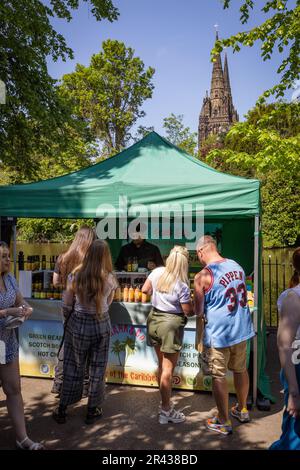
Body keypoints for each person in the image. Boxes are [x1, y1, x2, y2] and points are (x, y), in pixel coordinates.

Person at [194, 235, 255, 436]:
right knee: (240, 369)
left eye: (198, 255)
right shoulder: (236, 265)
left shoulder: (203, 276)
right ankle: (242, 409)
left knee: (218, 375)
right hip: (241, 329)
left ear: (201, 251)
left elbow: (199, 311)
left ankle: (223, 420)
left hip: (218, 335)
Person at [52, 240, 117, 425]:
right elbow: (109, 302)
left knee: (73, 366)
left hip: (78, 322)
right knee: (97, 368)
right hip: (101, 323)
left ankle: (63, 408)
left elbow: (67, 303)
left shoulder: (76, 275)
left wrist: (69, 319)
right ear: (106, 256)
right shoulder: (110, 278)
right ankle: (92, 409)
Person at [0, 241, 44, 450]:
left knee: (14, 389)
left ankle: (22, 438)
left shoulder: (9, 278)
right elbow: (9, 309)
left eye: (8, 255)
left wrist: (26, 309)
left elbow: (20, 302)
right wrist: (7, 312)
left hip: (5, 342)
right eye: (3, 256)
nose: (8, 260)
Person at [142, 245, 193, 424]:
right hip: (170, 325)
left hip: (154, 319)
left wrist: (159, 295)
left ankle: (164, 402)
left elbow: (145, 290)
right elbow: (187, 311)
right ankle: (165, 410)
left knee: (161, 366)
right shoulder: (182, 284)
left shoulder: (157, 272)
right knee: (168, 370)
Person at [51, 226, 96, 396]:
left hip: (67, 305)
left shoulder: (63, 257)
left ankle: (59, 383)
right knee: (86, 347)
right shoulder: (91, 259)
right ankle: (84, 386)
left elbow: (55, 282)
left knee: (66, 344)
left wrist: (68, 285)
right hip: (86, 306)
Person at [270, 247, 300, 450]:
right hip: (297, 367)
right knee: (294, 434)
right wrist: (294, 392)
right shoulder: (292, 297)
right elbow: (283, 344)